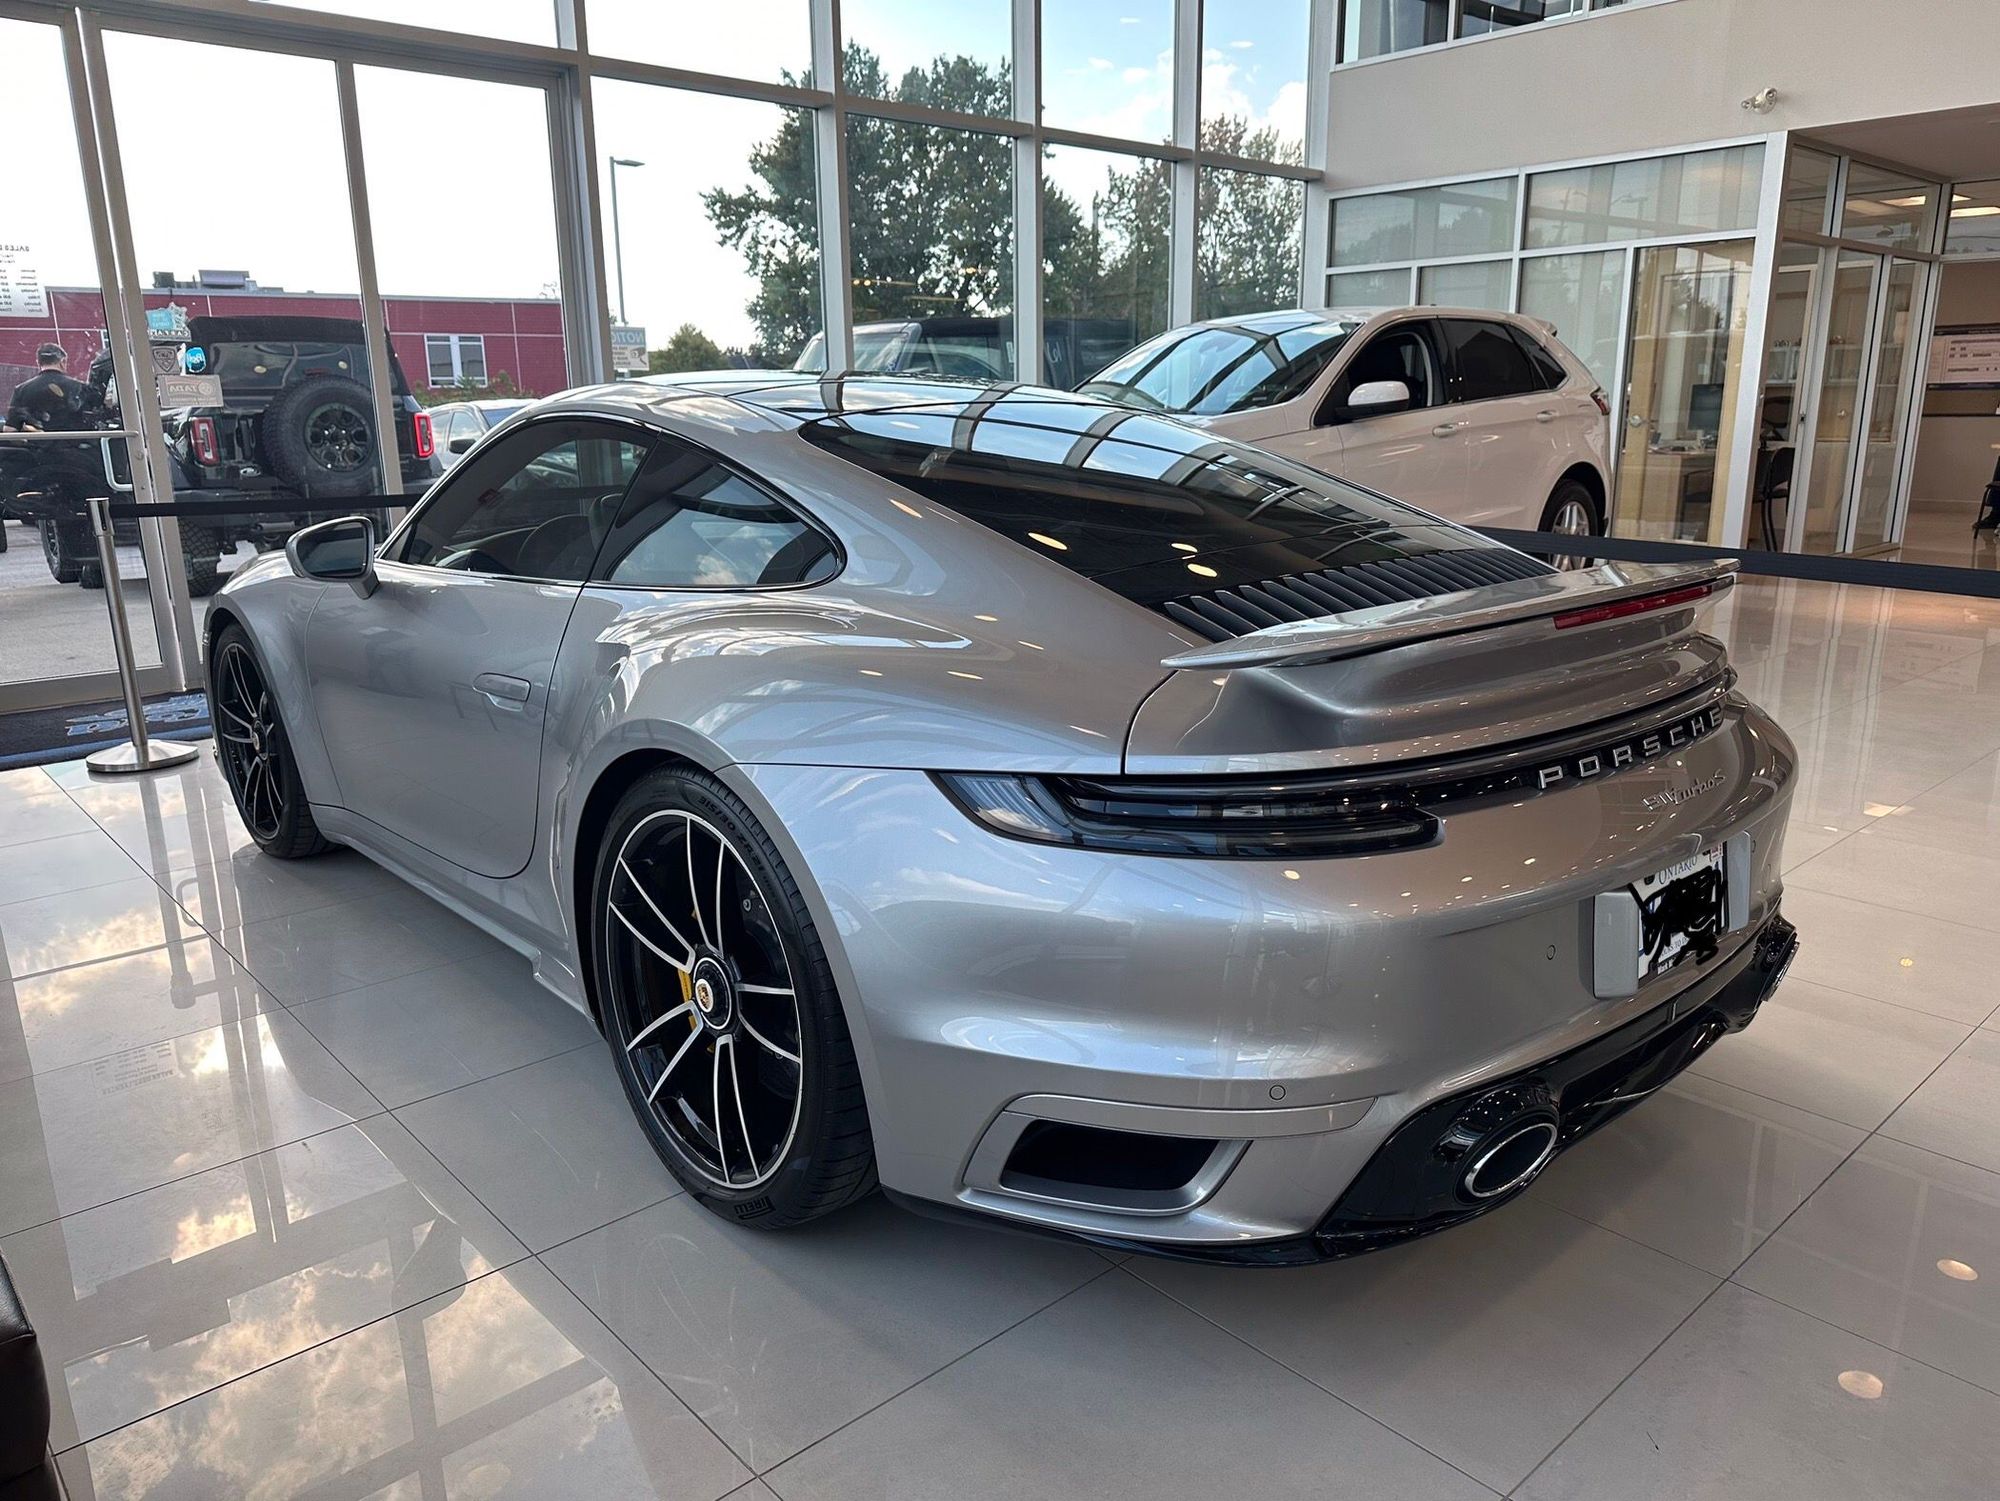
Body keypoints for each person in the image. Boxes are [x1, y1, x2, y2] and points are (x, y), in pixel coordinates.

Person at [6, 343, 100, 432]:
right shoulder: (81, 388)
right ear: (63, 362)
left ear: (38, 363)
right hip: (75, 442)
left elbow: (10, 429)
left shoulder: (21, 390)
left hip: (38, 443)